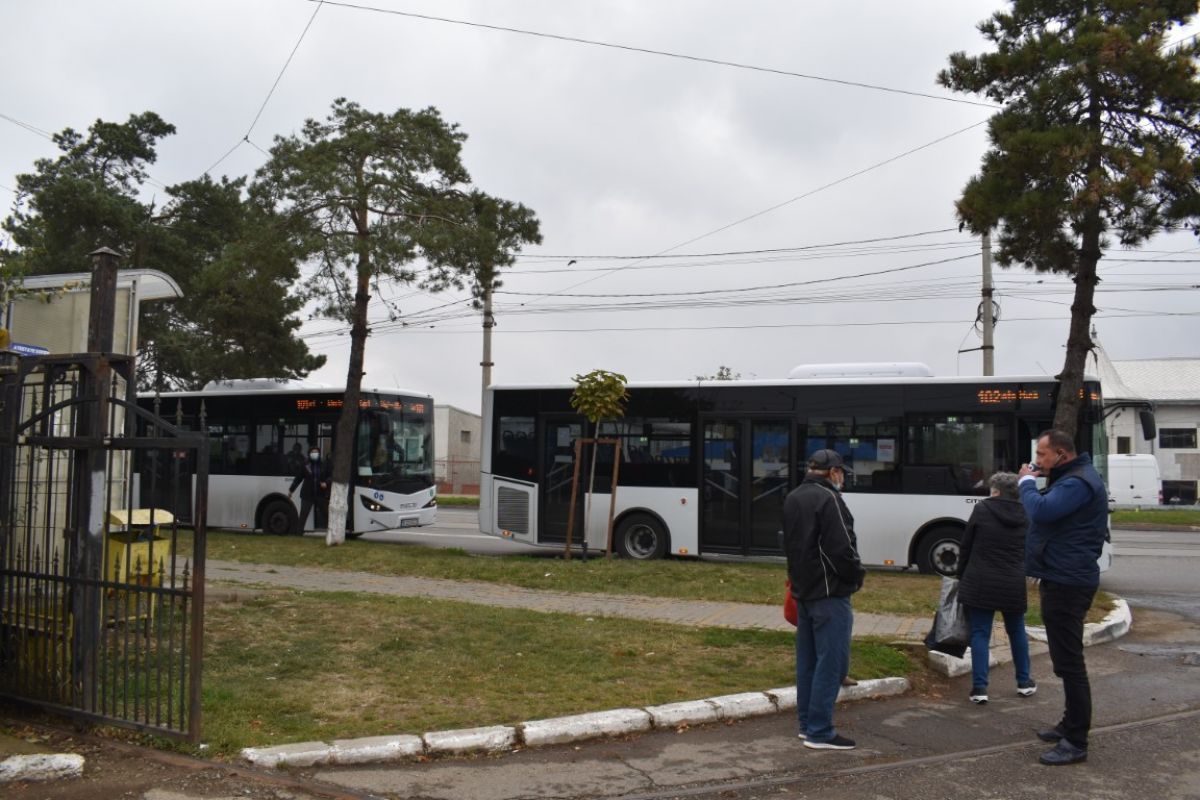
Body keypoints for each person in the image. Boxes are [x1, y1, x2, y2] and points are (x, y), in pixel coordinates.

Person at [1017, 429, 1108, 766]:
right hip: (1061, 577)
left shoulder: (1077, 482)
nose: (1037, 460)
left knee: (1070, 663)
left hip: (1068, 582)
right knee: (1065, 659)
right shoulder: (1072, 477)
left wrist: (1027, 483)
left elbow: (1042, 512)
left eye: (1042, 455)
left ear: (1061, 454)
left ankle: (1076, 740)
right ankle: (1069, 724)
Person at [782, 449, 866, 751]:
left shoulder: (793, 497)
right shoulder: (830, 499)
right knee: (831, 663)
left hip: (802, 591)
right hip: (830, 594)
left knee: (807, 663)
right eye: (841, 472)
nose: (842, 478)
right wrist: (857, 575)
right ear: (834, 472)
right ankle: (820, 731)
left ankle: (807, 726)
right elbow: (842, 549)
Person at [957, 471, 1036, 705]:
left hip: (981, 580)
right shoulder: (1025, 513)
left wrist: (961, 575)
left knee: (980, 633)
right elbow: (1029, 547)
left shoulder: (982, 509)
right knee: (1017, 630)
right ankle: (1024, 682)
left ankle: (980, 688)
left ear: (997, 491)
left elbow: (966, 544)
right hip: (1012, 581)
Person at [288, 446, 330, 533]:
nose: (315, 454)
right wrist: (291, 490)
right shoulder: (305, 465)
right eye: (312, 452)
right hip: (307, 494)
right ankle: (299, 533)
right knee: (303, 514)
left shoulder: (323, 464)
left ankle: (333, 531)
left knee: (327, 513)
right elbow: (298, 478)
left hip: (320, 494)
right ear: (309, 454)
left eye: (316, 452)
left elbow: (330, 477)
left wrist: (326, 483)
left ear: (319, 454)